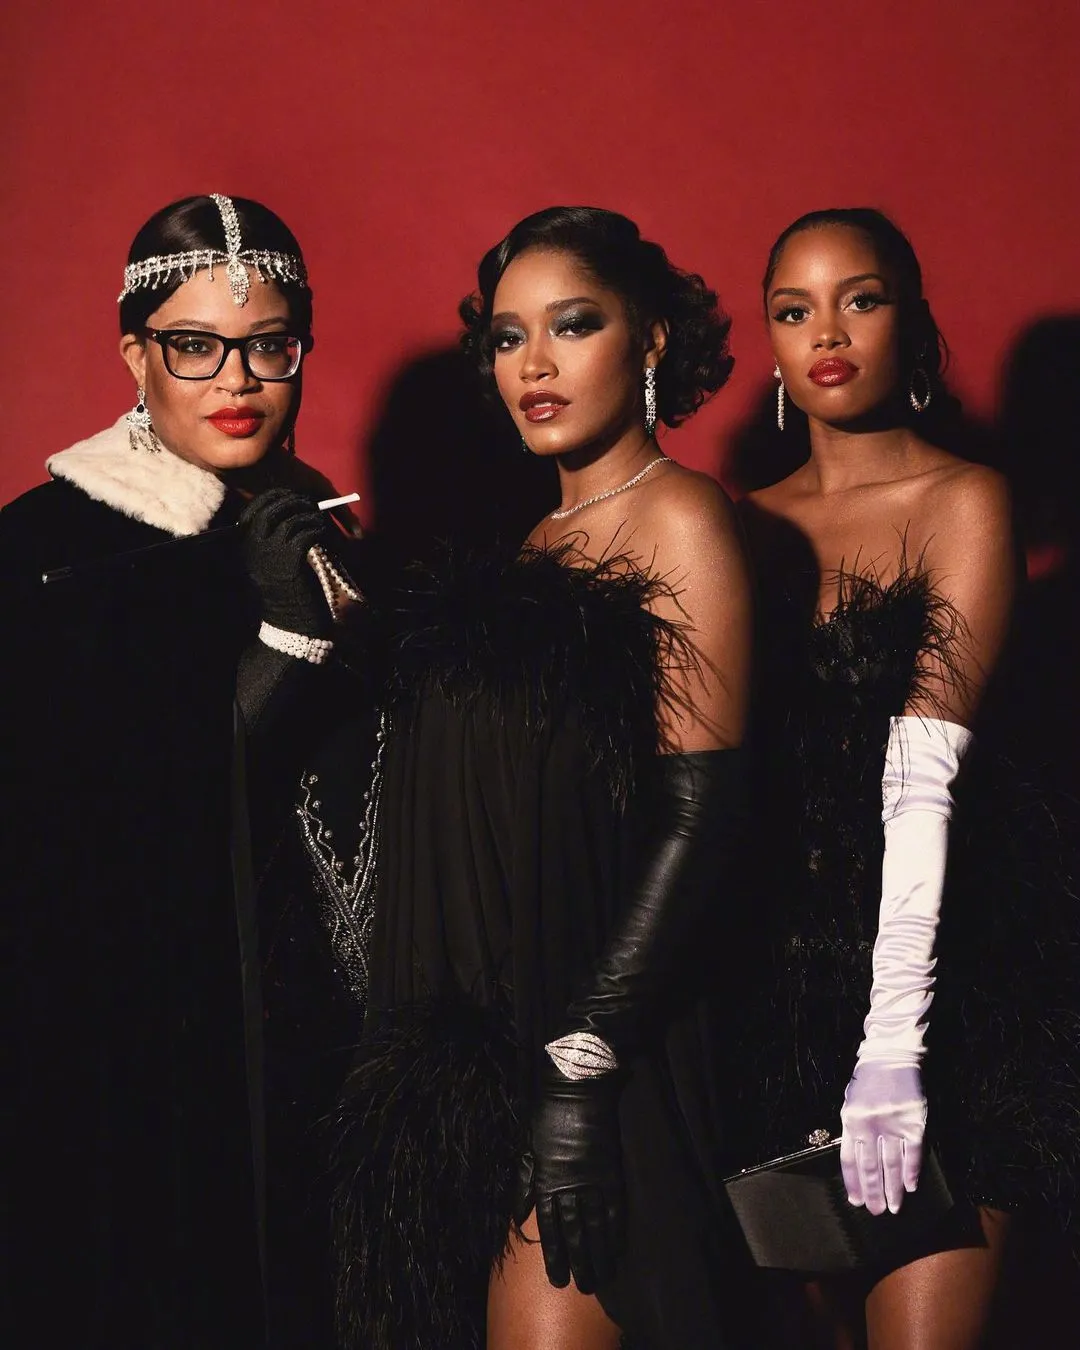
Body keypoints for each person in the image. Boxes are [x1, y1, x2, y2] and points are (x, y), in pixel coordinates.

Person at [238, 205, 753, 1349]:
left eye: (573, 325)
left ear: (651, 337)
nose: (535, 365)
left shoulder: (681, 519)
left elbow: (701, 814)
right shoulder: (535, 547)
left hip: (596, 1054)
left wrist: (583, 1067)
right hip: (489, 1062)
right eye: (510, 337)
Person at [736, 207, 1080, 1349]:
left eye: (861, 299)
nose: (827, 333)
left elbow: (923, 780)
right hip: (774, 991)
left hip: (948, 986)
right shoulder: (737, 528)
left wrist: (895, 1041)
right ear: (771, 345)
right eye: (794, 310)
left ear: (913, 324)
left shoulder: (964, 500)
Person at [1, 193, 340, 1348]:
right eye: (195, 346)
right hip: (117, 1067)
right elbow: (123, 820)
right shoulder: (45, 556)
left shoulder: (313, 531)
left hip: (306, 1049)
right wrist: (285, 647)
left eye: (268, 345)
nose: (236, 380)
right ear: (134, 355)